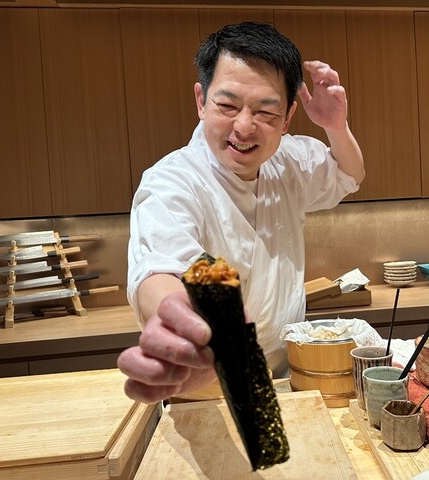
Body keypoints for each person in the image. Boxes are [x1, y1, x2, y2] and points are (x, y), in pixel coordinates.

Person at [117, 21, 364, 404]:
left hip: (285, 383)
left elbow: (349, 173)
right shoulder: (174, 181)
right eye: (228, 106)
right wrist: (184, 326)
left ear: (288, 117)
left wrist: (336, 127)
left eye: (266, 111)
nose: (244, 126)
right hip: (206, 389)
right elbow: (162, 270)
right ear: (201, 101)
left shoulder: (286, 161)